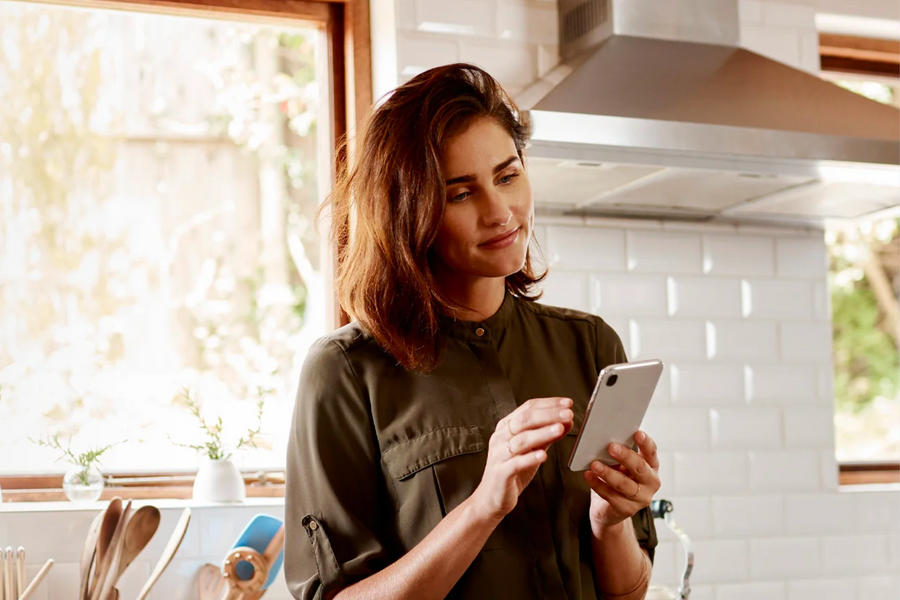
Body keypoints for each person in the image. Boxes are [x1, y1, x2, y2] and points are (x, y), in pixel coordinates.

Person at [284, 63, 661, 600]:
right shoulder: (345, 373)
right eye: (460, 194)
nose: (500, 212)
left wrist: (609, 521)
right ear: (406, 214)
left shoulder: (591, 344)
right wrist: (485, 504)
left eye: (507, 176)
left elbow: (629, 593)